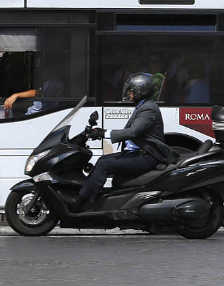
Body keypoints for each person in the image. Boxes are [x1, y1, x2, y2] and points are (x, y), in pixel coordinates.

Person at [74, 73, 176, 211]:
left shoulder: (148, 109)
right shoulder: (143, 106)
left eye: (132, 91)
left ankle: (83, 202)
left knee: (104, 163)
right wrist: (100, 133)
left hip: (147, 156)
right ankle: (97, 199)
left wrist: (103, 133)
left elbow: (133, 132)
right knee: (103, 161)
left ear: (141, 91)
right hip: (139, 153)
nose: (129, 94)